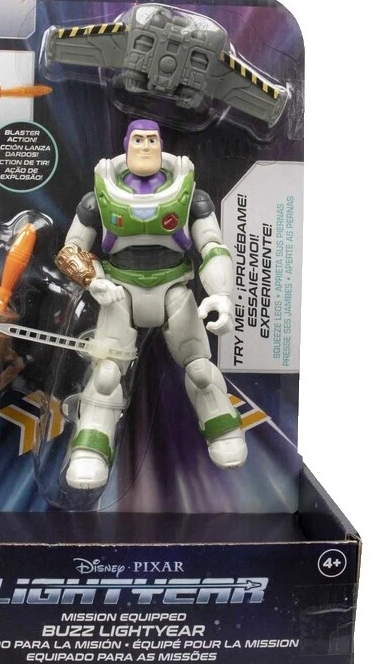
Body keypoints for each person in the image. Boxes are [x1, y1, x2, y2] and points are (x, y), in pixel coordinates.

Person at [55, 120, 246, 490]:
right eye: (139, 140)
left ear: (161, 144)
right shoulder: (98, 196)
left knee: (200, 368)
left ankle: (222, 424)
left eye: (152, 140)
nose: (145, 146)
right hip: (119, 291)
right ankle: (91, 445)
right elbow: (72, 249)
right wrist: (93, 280)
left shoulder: (191, 194)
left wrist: (221, 293)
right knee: (106, 374)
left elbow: (212, 245)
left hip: (174, 286)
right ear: (127, 144)